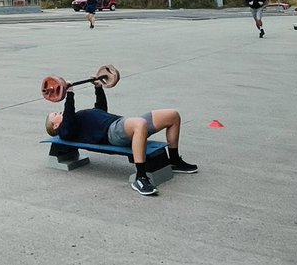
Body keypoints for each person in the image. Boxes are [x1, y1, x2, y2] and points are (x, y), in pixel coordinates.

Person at [45, 84, 197, 196]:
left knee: (173, 115)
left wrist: (98, 88)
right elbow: (69, 119)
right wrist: (70, 95)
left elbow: (100, 109)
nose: (59, 111)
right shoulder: (66, 131)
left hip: (121, 124)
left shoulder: (76, 119)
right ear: (56, 125)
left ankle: (175, 160)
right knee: (140, 123)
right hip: (113, 133)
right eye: (55, 114)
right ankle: (141, 177)